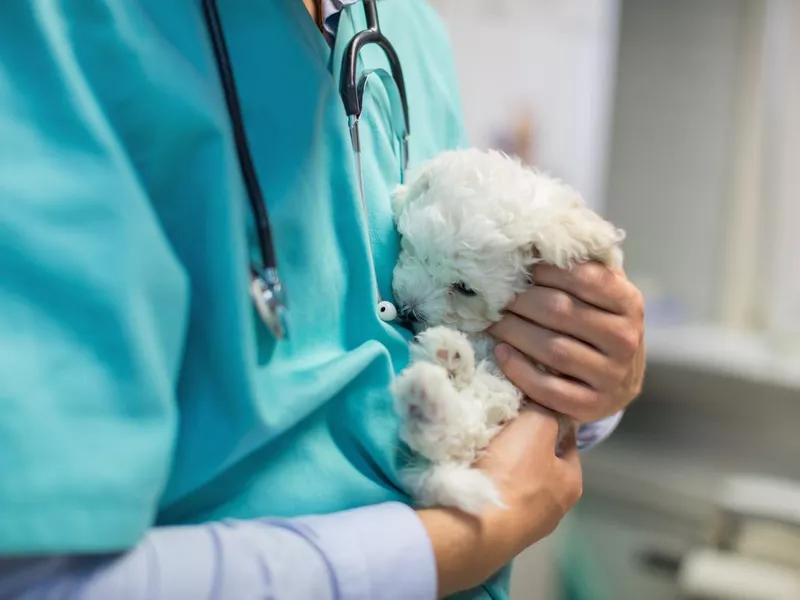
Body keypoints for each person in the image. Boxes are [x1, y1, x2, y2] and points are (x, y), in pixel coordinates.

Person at [0, 1, 645, 598]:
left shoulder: (404, 30)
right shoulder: (57, 29)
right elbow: (38, 582)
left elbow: (450, 330)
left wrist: (580, 370)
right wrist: (452, 544)